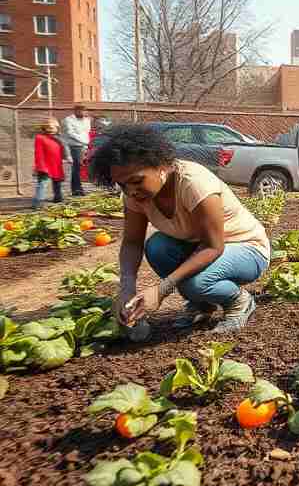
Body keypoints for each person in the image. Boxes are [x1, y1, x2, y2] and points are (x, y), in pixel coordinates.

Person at [89, 124, 270, 335]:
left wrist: (162, 289)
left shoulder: (194, 183)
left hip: (246, 248)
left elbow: (213, 247)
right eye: (122, 185)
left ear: (162, 166)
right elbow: (132, 242)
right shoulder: (134, 196)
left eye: (137, 181)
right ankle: (203, 305)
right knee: (157, 246)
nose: (131, 191)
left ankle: (239, 301)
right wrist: (127, 289)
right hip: (199, 248)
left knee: (196, 284)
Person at [32, 118, 70, 208]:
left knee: (57, 182)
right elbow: (38, 153)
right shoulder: (40, 138)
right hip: (45, 165)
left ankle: (58, 198)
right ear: (44, 128)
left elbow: (63, 150)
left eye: (53, 128)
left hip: (56, 164)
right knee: (42, 183)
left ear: (57, 128)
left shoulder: (59, 139)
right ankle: (38, 202)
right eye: (48, 128)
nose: (50, 130)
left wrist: (67, 157)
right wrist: (41, 166)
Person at [61, 103, 91, 197]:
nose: (83, 112)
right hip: (73, 146)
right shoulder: (68, 120)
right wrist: (84, 141)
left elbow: (86, 132)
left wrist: (86, 144)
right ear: (76, 111)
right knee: (76, 168)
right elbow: (70, 133)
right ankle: (77, 190)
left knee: (79, 168)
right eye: (81, 110)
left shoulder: (87, 120)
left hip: (83, 146)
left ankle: (77, 189)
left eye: (84, 111)